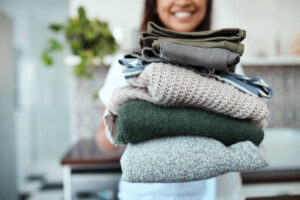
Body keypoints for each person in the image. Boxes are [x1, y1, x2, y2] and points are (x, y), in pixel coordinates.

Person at [96, 0, 243, 199]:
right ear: (154, 4)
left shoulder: (227, 62)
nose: (183, 2)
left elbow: (247, 131)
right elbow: (103, 140)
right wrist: (129, 125)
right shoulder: (131, 65)